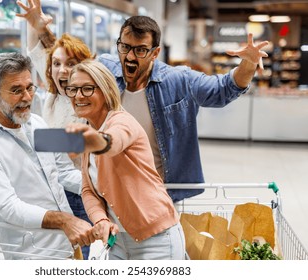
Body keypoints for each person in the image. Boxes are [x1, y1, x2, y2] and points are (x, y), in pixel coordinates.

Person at [17, 1, 269, 203]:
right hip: (112, 190)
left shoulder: (178, 80)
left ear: (155, 52)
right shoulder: (105, 69)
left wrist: (247, 64)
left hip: (159, 191)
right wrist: (40, 29)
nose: (129, 56)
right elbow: (65, 59)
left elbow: (222, 90)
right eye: (124, 47)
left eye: (140, 50)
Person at [0, 52, 95, 259]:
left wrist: (104, 186)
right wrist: (64, 220)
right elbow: (8, 207)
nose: (27, 97)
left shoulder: (37, 122)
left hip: (68, 245)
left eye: (29, 87)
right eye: (16, 91)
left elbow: (64, 172)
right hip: (33, 254)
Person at [64, 59, 185, 260]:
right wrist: (100, 219)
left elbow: (114, 142)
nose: (78, 96)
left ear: (105, 91)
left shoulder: (121, 121)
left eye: (87, 89)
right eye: (73, 89)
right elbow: (88, 190)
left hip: (156, 239)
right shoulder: (89, 129)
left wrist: (96, 141)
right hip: (117, 242)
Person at [16, 0, 95, 259]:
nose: (63, 70)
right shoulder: (55, 94)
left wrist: (25, 139)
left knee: (85, 256)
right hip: (56, 191)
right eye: (57, 64)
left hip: (83, 195)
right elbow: (36, 52)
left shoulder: (87, 102)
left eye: (71, 64)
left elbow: (78, 146)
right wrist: (34, 23)